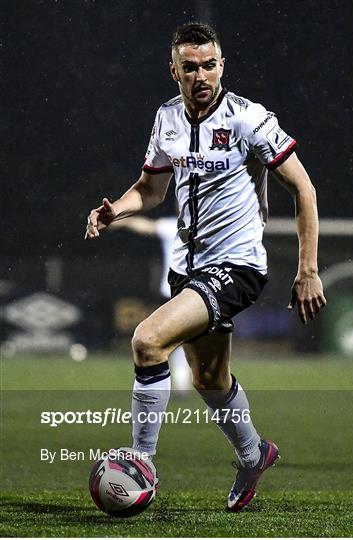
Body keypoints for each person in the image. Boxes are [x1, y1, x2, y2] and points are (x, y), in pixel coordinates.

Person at [85, 22, 326, 512]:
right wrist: (117, 212)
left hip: (236, 265)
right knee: (210, 380)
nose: (201, 76)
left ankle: (141, 462)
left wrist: (308, 269)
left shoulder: (249, 119)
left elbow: (304, 189)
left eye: (209, 65)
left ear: (222, 66)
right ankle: (254, 454)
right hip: (187, 270)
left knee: (148, 341)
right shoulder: (167, 118)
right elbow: (151, 190)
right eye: (190, 67)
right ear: (173, 70)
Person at [110, 216, 192, 392]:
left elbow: (148, 226)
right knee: (175, 339)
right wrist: (125, 221)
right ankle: (178, 378)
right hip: (183, 292)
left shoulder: (180, 226)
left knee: (171, 339)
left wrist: (125, 221)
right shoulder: (176, 226)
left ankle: (172, 380)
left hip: (184, 292)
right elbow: (148, 226)